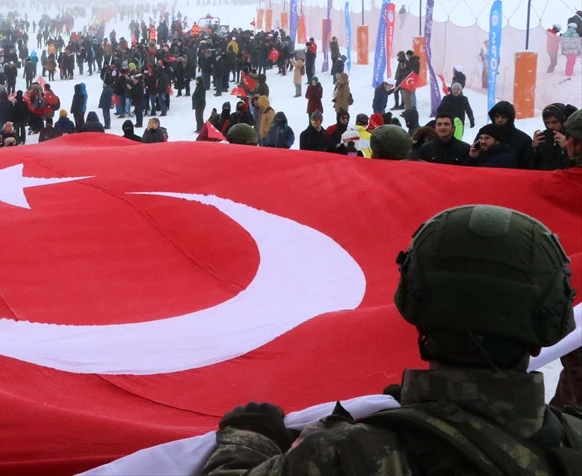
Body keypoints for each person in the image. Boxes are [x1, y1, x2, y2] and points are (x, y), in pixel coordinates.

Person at [200, 204, 581, 476]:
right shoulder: (572, 440)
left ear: (417, 311)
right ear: (543, 334)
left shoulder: (344, 454)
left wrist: (250, 439)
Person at [487, 101, 533, 169]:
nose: (499, 120)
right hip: (487, 176)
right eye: (497, 116)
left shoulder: (523, 139)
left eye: (504, 117)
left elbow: (528, 165)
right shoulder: (485, 134)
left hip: (513, 177)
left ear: (510, 118)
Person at [531, 103, 575, 171]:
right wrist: (533, 148)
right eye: (547, 123)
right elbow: (532, 165)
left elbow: (576, 164)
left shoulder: (573, 137)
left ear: (563, 121)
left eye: (554, 122)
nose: (550, 126)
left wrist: (567, 147)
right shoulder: (542, 138)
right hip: (545, 178)